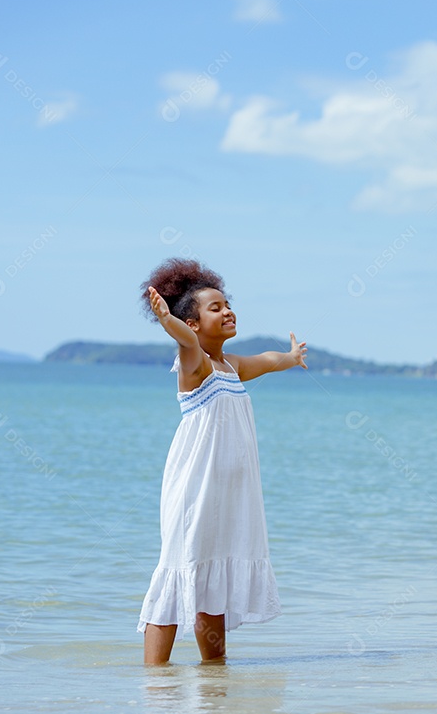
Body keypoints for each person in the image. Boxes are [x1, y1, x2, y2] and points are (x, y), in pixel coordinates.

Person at [137, 258, 307, 665]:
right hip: (194, 490)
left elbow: (266, 360)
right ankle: (154, 679)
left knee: (212, 580)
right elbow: (186, 342)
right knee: (179, 570)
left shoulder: (231, 366)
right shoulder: (194, 366)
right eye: (215, 307)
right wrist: (166, 319)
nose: (228, 310)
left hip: (228, 495)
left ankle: (215, 674)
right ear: (192, 323)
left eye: (228, 304)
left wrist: (290, 356)